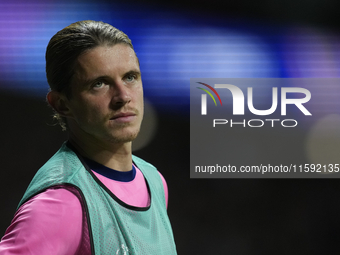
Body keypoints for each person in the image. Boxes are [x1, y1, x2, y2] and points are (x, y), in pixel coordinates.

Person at [0, 20, 177, 255]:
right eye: (99, 84)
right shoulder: (61, 201)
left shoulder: (154, 181)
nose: (123, 96)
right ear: (62, 104)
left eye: (130, 77)